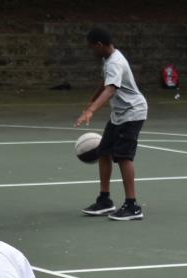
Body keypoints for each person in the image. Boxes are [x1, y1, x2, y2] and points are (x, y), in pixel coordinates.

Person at [75, 25, 148, 221]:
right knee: (104, 152)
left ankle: (132, 206)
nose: (91, 51)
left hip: (133, 112)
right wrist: (90, 101)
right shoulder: (108, 59)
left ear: (99, 45)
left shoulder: (115, 62)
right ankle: (105, 200)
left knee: (123, 157)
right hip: (119, 114)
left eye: (92, 47)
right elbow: (105, 84)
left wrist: (91, 110)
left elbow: (111, 89)